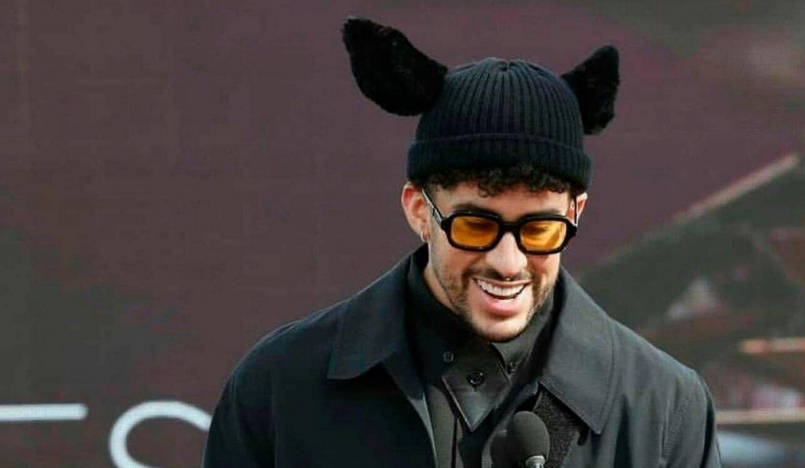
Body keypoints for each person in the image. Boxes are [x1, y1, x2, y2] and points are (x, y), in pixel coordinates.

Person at [202, 17, 721, 468]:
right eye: (476, 226)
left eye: (539, 230)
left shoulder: (665, 409)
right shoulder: (279, 386)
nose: (507, 261)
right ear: (418, 210)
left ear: (575, 213)